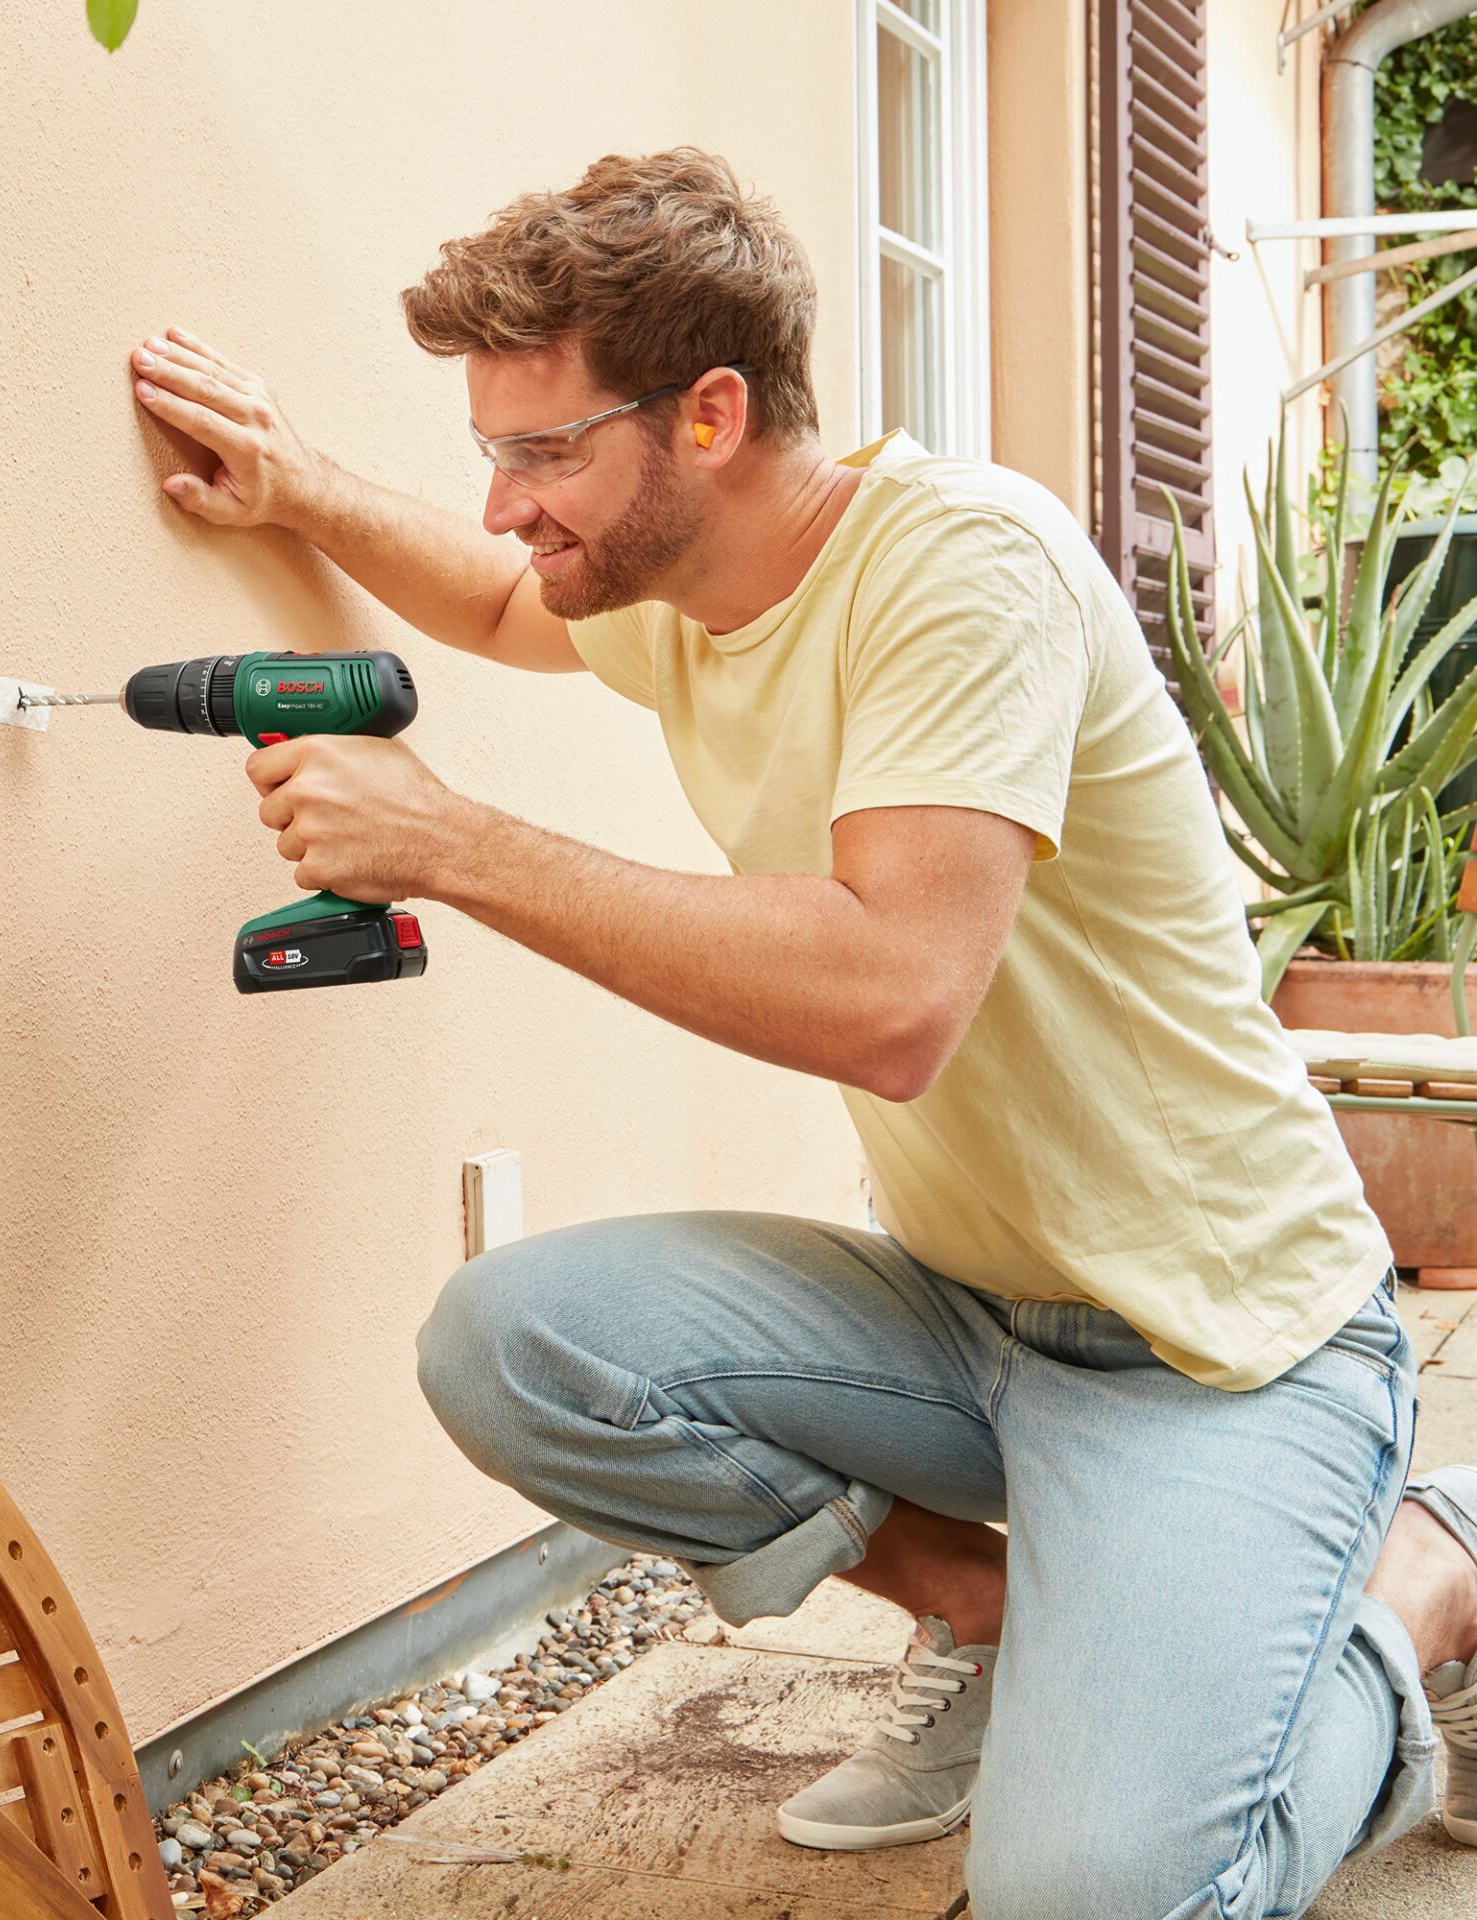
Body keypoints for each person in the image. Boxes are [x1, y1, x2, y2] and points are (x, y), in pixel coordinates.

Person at [129, 148, 1477, 1918]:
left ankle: (1425, 1579)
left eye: (543, 453)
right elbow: (486, 600)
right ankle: (998, 1616)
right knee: (512, 1340)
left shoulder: (960, 569)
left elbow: (892, 998)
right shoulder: (680, 596)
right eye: (492, 448)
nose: (504, 503)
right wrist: (296, 487)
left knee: (1099, 1898)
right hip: (969, 1311)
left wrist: (453, 843)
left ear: (709, 415)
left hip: (1221, 1348)